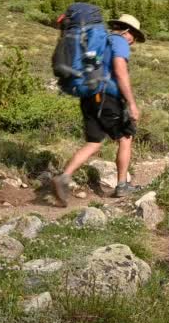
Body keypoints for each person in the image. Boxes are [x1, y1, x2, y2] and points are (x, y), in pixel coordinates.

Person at [52, 13, 145, 204]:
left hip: (88, 95)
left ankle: (64, 177)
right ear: (128, 32)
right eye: (134, 37)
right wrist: (132, 103)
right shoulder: (119, 41)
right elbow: (119, 70)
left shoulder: (98, 42)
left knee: (94, 142)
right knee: (126, 137)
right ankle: (122, 185)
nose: (133, 42)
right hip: (107, 96)